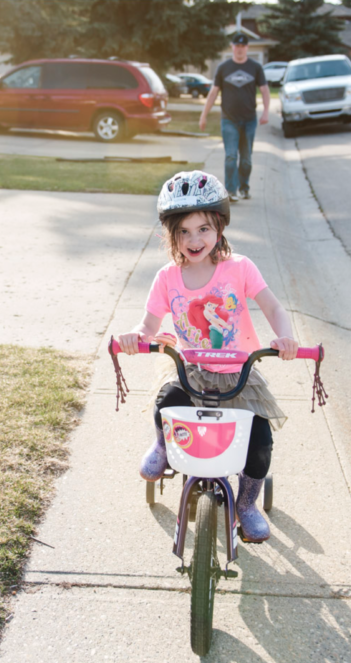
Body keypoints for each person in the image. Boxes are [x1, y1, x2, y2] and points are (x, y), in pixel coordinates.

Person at [116, 170, 296, 543]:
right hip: (192, 370)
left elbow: (274, 308)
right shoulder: (168, 277)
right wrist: (139, 336)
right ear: (172, 235)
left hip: (238, 374)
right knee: (167, 401)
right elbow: (149, 322)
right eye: (183, 231)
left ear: (219, 227)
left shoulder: (239, 268)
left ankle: (246, 504)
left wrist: (285, 337)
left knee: (259, 441)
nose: (194, 239)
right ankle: (164, 447)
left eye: (203, 229)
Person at [198, 34, 269, 202]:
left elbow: (265, 90)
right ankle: (230, 190)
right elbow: (213, 92)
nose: (239, 48)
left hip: (249, 120)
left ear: (247, 47)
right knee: (231, 156)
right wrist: (204, 115)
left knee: (246, 159)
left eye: (242, 46)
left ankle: (244, 187)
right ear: (232, 47)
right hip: (229, 119)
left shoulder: (255, 67)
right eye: (237, 45)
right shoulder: (224, 68)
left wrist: (266, 112)